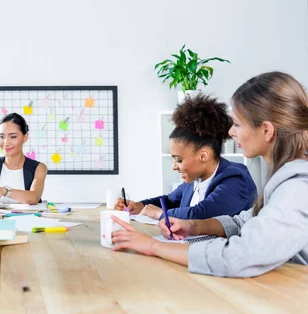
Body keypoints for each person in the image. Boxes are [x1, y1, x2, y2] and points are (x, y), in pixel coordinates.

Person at [111, 72, 308, 277]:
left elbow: (238, 257)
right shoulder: (286, 178)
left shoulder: (296, 187)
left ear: (266, 130)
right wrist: (193, 226)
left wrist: (154, 247)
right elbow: (245, 221)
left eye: (238, 124)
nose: (231, 132)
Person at [115, 94, 257, 220]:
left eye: (179, 160)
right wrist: (139, 205)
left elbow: (200, 214)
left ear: (203, 155)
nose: (174, 166)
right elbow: (169, 200)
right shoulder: (194, 180)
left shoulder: (235, 179)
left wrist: (160, 214)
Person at [0, 113, 47, 204]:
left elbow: (33, 198)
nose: (6, 143)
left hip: (27, 218)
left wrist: (4, 191)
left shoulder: (39, 168)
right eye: (2, 136)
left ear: (25, 137)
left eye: (13, 137)